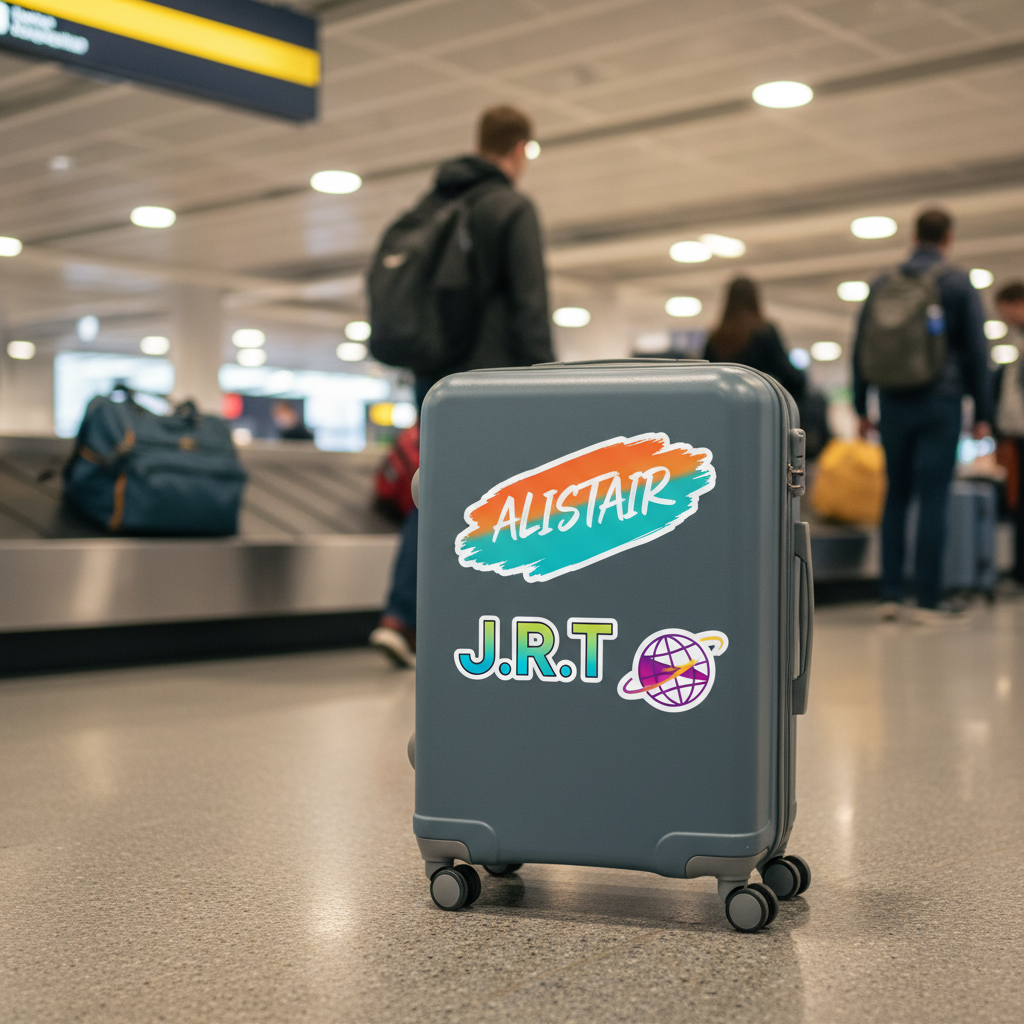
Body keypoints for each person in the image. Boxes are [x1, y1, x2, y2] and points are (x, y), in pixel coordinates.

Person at [369, 105, 554, 668]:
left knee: (439, 492)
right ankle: (487, 624)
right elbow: (530, 305)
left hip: (436, 379)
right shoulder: (509, 207)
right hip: (494, 384)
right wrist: (548, 382)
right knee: (508, 501)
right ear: (520, 149)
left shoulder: (430, 206)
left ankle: (403, 617)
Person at [853, 208, 992, 623]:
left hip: (892, 401)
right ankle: (927, 599)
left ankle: (890, 594)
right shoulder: (955, 281)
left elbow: (862, 345)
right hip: (940, 401)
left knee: (895, 495)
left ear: (913, 235)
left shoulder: (882, 282)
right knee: (933, 498)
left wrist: (862, 406)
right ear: (947, 238)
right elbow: (977, 352)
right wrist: (983, 411)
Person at [704, 277, 806, 400]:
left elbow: (706, 378)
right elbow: (790, 376)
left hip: (724, 407)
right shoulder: (765, 332)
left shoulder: (715, 337)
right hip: (758, 406)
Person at [994, 280, 1024, 587]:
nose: (1006, 319)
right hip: (1016, 435)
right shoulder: (1017, 341)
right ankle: (1019, 571)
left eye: (1007, 312)